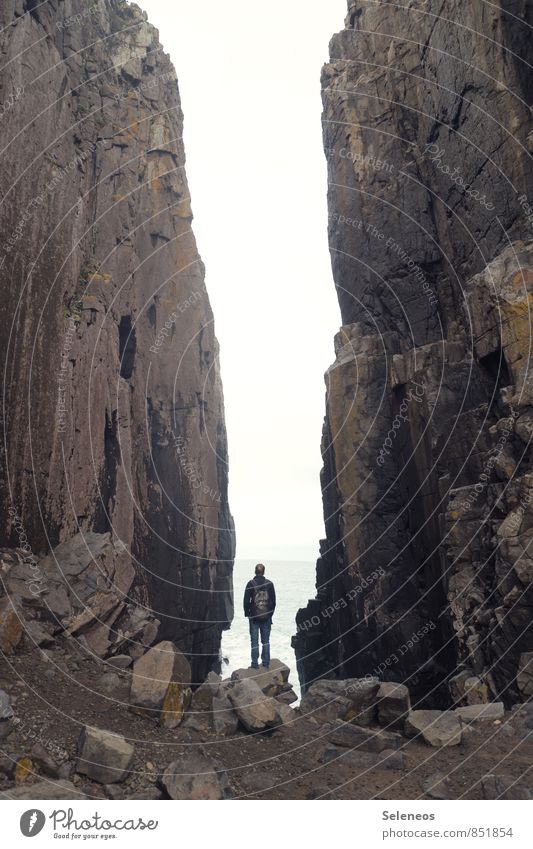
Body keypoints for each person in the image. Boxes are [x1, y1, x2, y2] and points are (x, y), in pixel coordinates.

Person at [243, 563, 276, 669]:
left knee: (254, 641)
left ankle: (254, 664)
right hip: (266, 617)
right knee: (266, 641)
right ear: (264, 572)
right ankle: (266, 663)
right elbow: (274, 602)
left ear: (255, 571)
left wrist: (247, 614)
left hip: (254, 617)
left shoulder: (250, 584)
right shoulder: (270, 584)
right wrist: (269, 614)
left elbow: (246, 600)